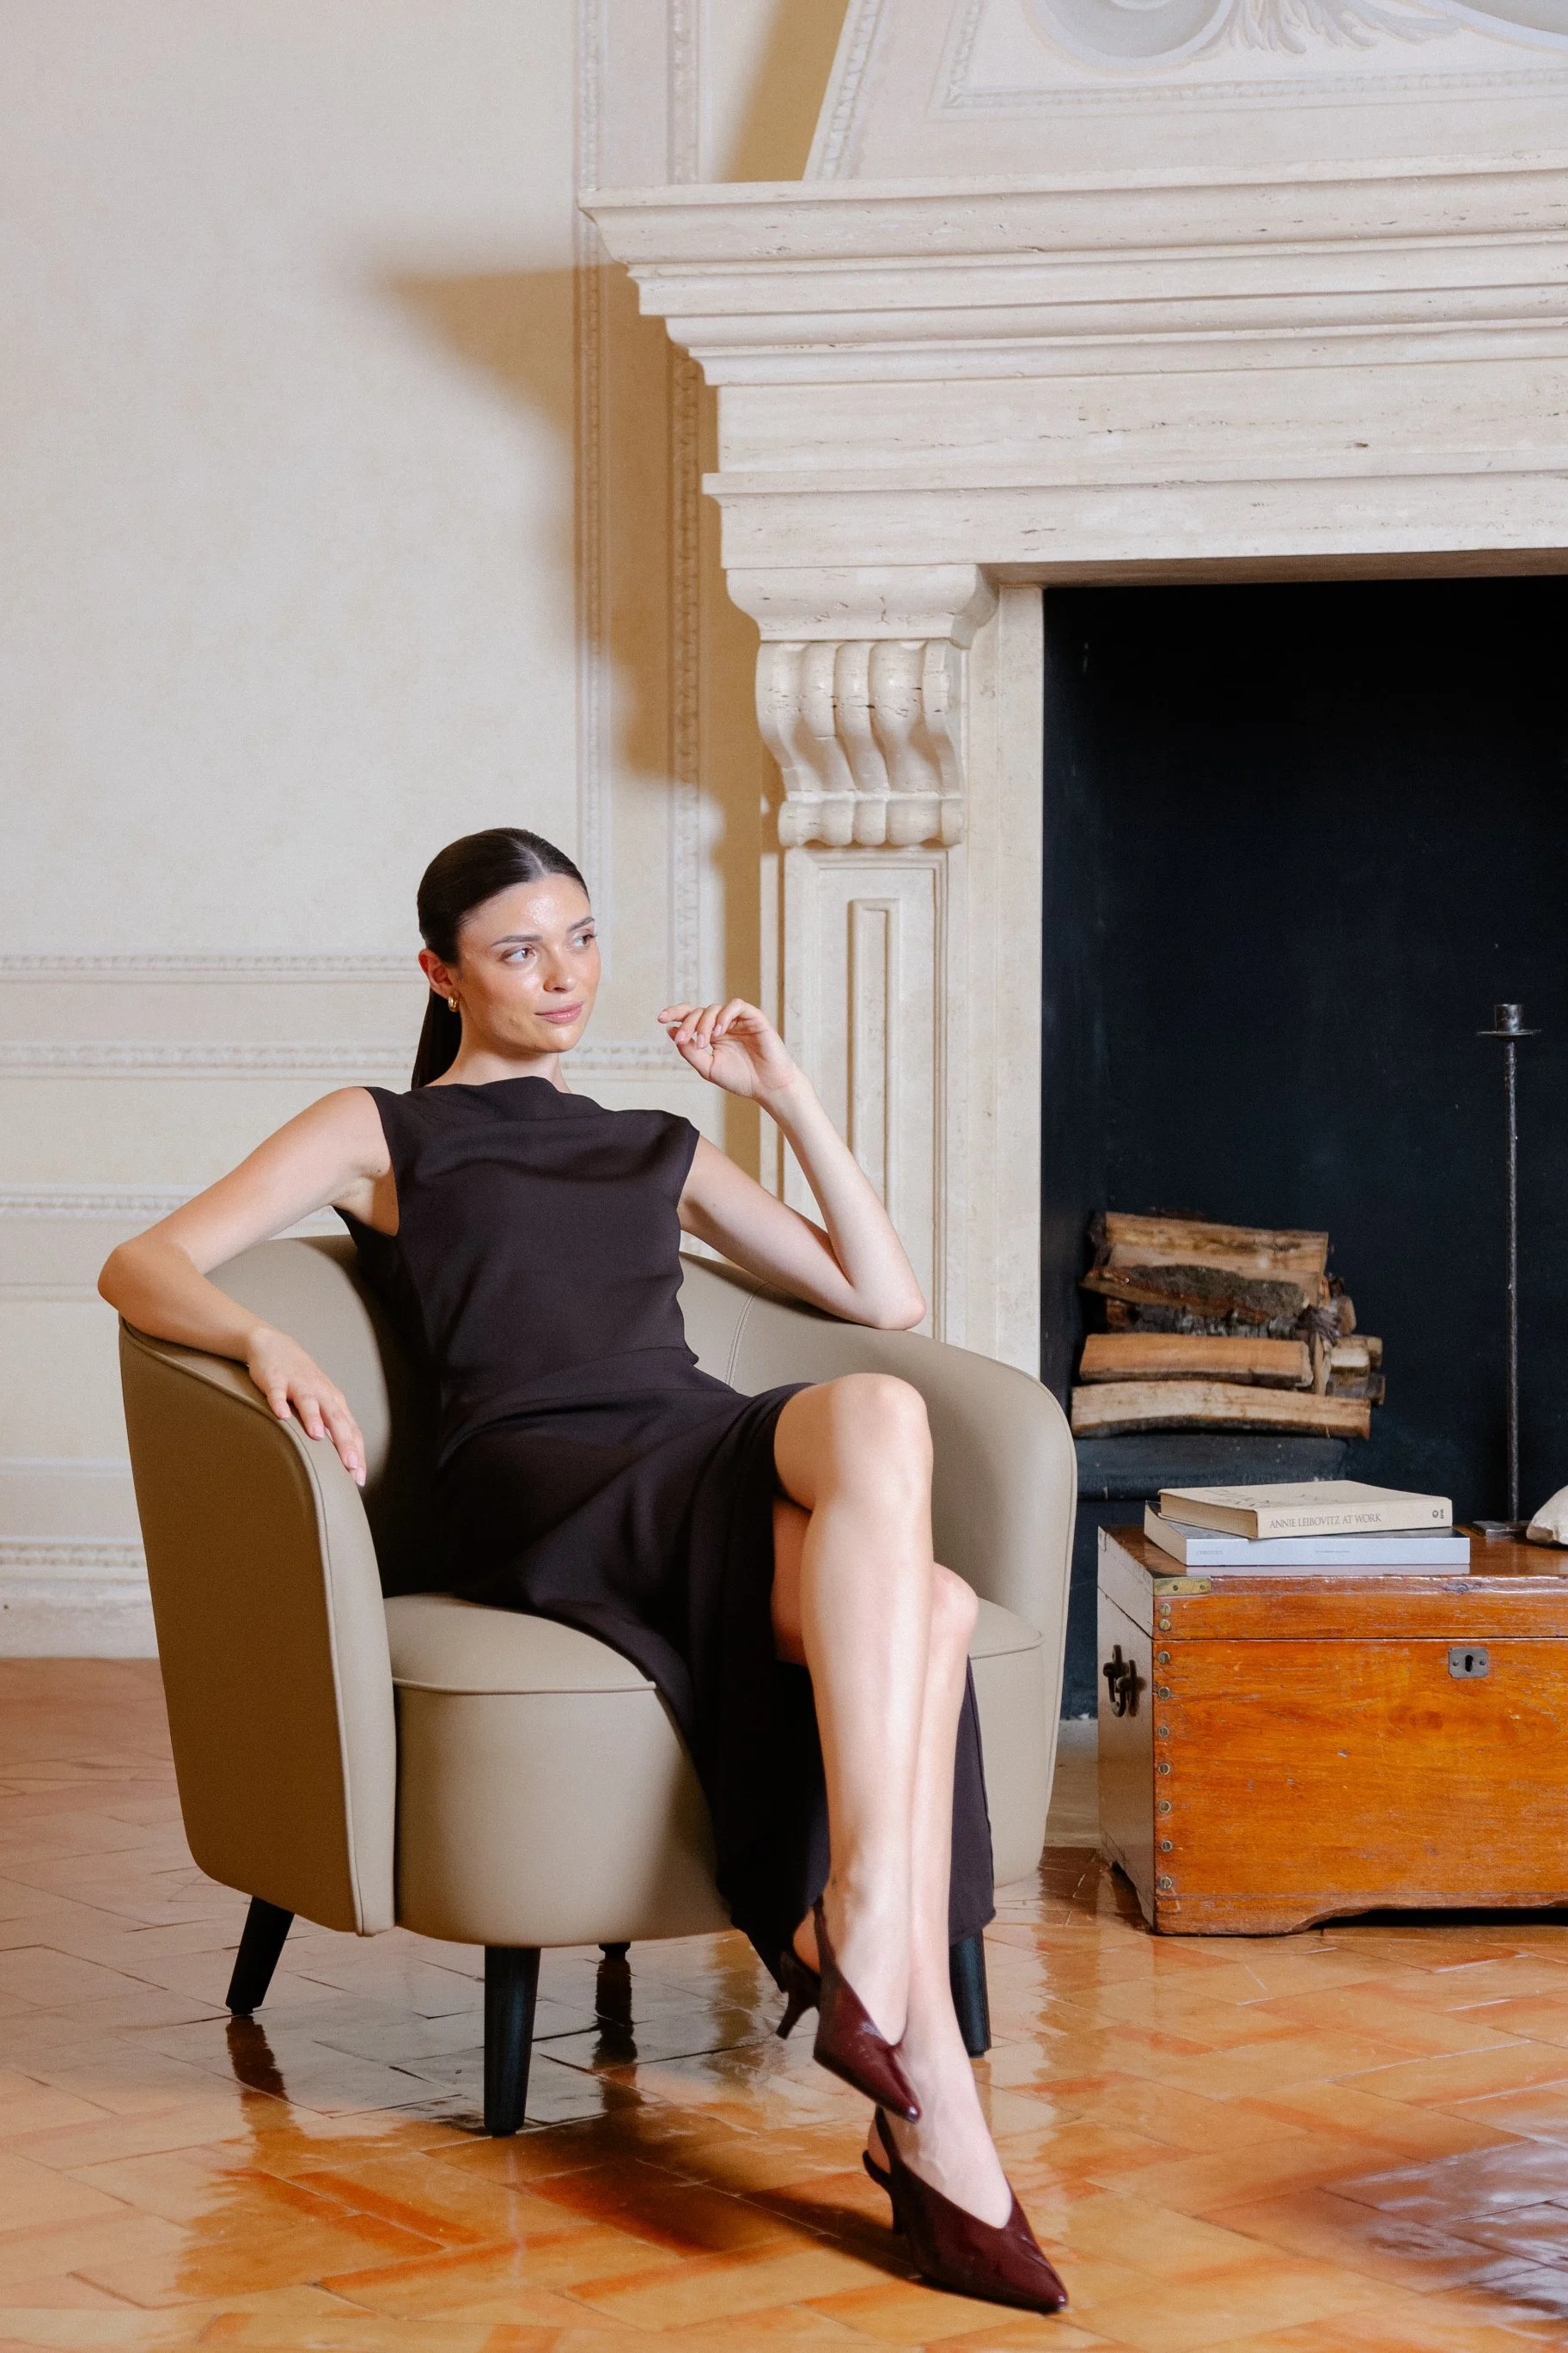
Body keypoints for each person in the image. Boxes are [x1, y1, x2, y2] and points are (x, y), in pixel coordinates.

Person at [100, 827, 1067, 2316]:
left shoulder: (654, 1139)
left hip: (683, 1441)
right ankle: (888, 1990)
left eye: (582, 938)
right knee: (893, 1486)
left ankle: (898, 2036)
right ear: (441, 971)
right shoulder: (385, 1131)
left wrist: (784, 1089)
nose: (563, 978)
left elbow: (883, 1294)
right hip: (540, 1479)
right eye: (517, 951)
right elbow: (146, 1261)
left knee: (917, 1545)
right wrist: (261, 1336)